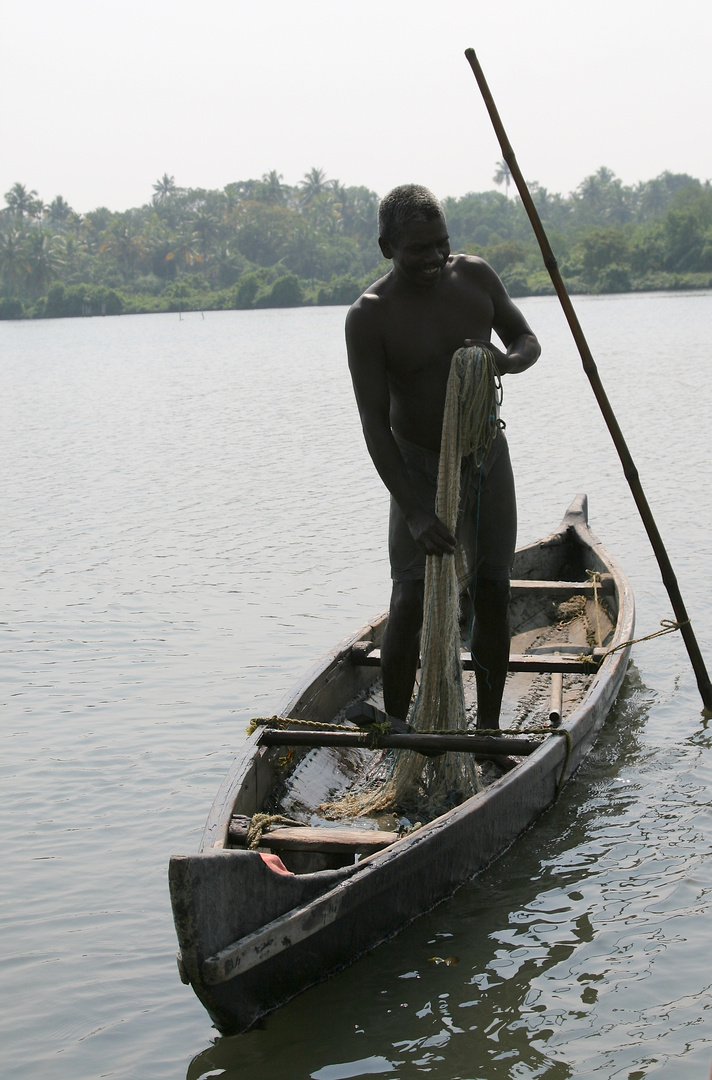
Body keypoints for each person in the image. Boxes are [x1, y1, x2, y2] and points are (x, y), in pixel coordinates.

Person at [345, 184, 540, 730]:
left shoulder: (475, 277)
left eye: (441, 245)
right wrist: (414, 511)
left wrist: (503, 363)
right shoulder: (369, 316)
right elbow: (374, 426)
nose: (432, 258)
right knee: (409, 597)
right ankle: (398, 728)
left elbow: (526, 338)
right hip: (417, 466)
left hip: (484, 455)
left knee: (494, 588)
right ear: (387, 247)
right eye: (417, 249)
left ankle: (489, 730)